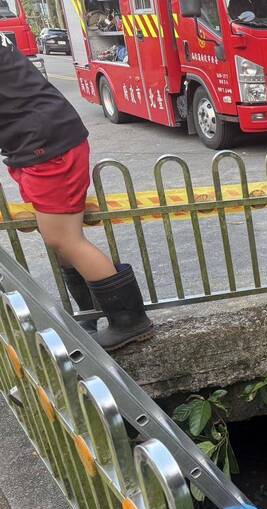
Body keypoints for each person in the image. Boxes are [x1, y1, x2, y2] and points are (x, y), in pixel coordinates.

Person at [0, 32, 153, 350]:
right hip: (34, 140)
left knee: (64, 238)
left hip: (44, 141)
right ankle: (90, 311)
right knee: (56, 238)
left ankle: (129, 320)